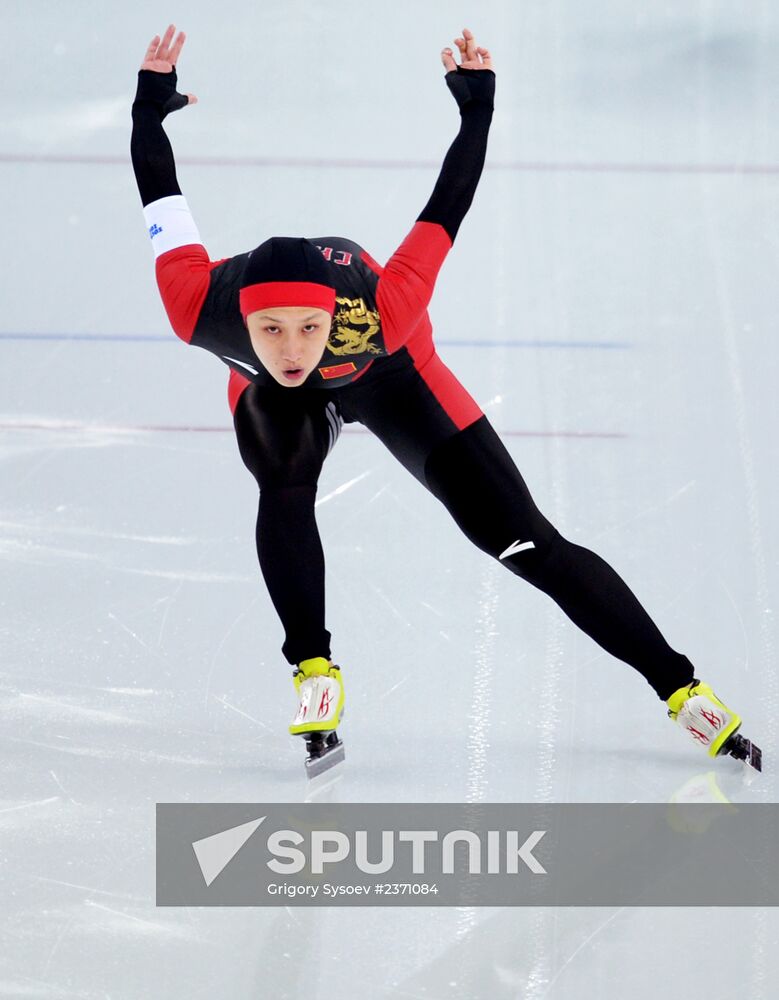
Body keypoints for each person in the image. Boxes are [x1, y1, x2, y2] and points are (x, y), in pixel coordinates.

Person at [130, 24, 760, 775]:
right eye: (270, 329)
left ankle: (679, 687)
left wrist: (476, 113)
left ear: (335, 315)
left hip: (392, 377)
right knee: (284, 483)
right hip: (275, 403)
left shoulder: (386, 305)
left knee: (522, 539)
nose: (292, 349)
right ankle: (313, 671)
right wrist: (148, 111)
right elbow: (160, 191)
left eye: (307, 328)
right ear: (242, 318)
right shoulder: (195, 302)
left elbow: (446, 206)